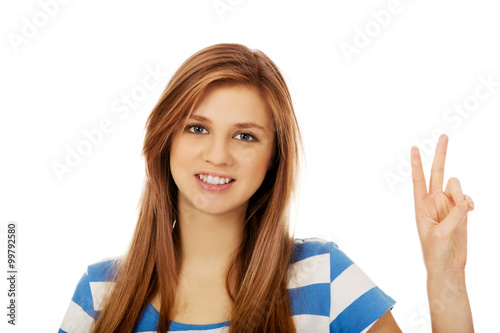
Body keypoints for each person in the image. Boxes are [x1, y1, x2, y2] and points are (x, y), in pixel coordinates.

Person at [58, 43, 474, 332]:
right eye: (197, 128)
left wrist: (445, 277)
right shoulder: (99, 294)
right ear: (166, 140)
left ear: (273, 157)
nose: (218, 155)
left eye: (245, 136)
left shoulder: (322, 278)